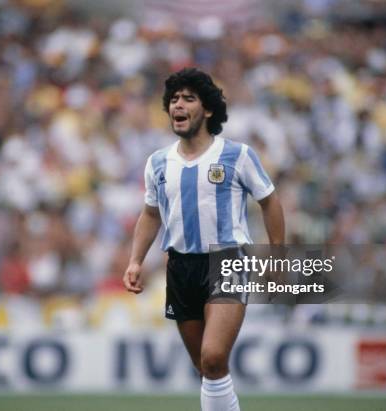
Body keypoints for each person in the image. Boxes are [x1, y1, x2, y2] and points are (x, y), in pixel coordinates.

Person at [123, 68, 285, 411]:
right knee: (206, 369)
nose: (178, 105)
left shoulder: (237, 155)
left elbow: (269, 201)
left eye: (188, 98)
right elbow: (151, 214)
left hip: (226, 260)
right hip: (181, 266)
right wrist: (136, 260)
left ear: (207, 109)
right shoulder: (157, 163)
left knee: (213, 357)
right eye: (173, 99)